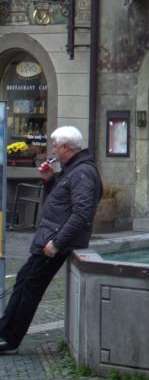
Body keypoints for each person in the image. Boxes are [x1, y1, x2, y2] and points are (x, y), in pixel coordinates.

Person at [0, 126, 102, 355]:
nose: (52, 150)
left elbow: (81, 214)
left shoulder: (82, 172)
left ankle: (10, 339)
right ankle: (4, 331)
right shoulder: (70, 169)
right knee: (23, 280)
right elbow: (59, 203)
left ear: (65, 147)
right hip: (48, 238)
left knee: (30, 288)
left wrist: (57, 243)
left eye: (55, 145)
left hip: (55, 242)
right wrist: (48, 181)